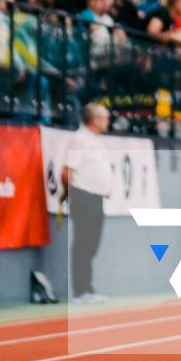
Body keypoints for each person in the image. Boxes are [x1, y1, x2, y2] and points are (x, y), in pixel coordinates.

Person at [60, 101, 113, 302]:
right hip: (84, 196)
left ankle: (87, 287)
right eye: (105, 117)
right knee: (83, 243)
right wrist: (73, 193)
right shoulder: (79, 140)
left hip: (97, 198)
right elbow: (66, 171)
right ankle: (81, 291)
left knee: (91, 243)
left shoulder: (95, 140)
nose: (108, 121)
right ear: (94, 119)